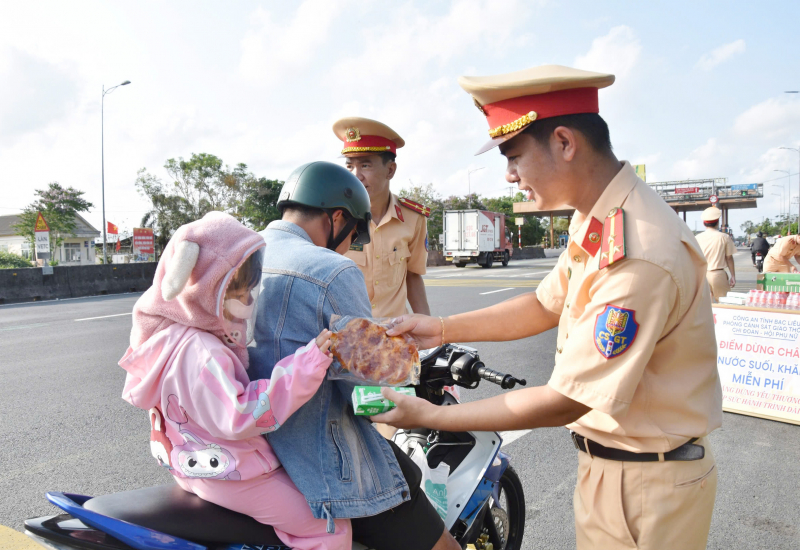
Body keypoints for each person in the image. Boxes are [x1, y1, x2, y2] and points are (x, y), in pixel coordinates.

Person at [378, 64, 723, 550]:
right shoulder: (600, 217)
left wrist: (429, 416)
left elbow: (568, 397)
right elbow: (544, 304)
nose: (510, 174)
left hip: (648, 485)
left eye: (514, 155)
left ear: (564, 142)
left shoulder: (639, 250)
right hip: (617, 469)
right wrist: (438, 328)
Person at [249, 161, 460, 550]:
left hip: (246, 456)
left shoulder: (241, 254)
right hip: (321, 462)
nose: (355, 245)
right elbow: (374, 371)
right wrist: (410, 360)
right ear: (337, 218)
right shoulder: (329, 268)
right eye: (357, 234)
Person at [119, 211, 349, 550]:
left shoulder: (168, 337)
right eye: (241, 294)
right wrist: (308, 363)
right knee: (329, 526)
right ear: (205, 292)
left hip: (192, 465)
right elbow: (242, 414)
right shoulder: (201, 353)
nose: (250, 303)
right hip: (234, 474)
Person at [333, 117, 431, 318]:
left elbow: (412, 276)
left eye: (366, 166)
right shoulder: (335, 217)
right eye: (349, 166)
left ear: (390, 170)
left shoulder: (413, 218)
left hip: (394, 337)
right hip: (345, 337)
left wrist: (432, 331)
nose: (356, 175)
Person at [695, 206, 736, 302]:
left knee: (704, 306)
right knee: (723, 303)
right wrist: (733, 275)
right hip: (717, 274)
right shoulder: (724, 237)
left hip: (701, 275)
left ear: (703, 223)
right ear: (718, 222)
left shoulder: (697, 238)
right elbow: (729, 258)